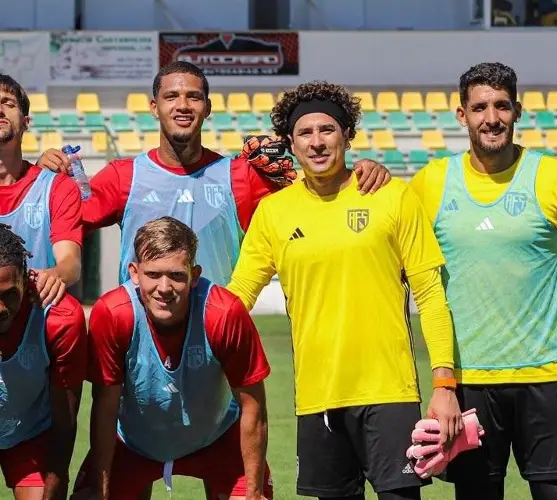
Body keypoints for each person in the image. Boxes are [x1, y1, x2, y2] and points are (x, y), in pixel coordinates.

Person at [227, 81, 463, 500]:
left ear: (347, 136)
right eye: (305, 133)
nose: (317, 143)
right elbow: (239, 295)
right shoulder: (274, 213)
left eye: (327, 130)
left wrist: (444, 386)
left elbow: (430, 294)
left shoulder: (392, 196)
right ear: (291, 144)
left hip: (390, 394)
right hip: (318, 398)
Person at [409, 62, 557, 500]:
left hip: (546, 377)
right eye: (480, 107)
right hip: (468, 384)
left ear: (518, 110)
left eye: (502, 106)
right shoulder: (430, 183)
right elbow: (398, 265)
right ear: (461, 115)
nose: (492, 118)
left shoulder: (556, 178)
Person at [36, 61, 391, 287]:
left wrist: (355, 172)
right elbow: (61, 221)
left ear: (207, 108)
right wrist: (41, 177)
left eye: (193, 97)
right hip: (141, 333)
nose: (182, 105)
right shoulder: (122, 176)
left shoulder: (241, 175)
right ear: (154, 107)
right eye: (171, 96)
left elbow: (315, 202)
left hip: (217, 330)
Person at [74, 216, 272, 500]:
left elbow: (253, 406)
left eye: (177, 275)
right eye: (153, 274)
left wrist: (253, 493)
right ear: (134, 272)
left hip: (216, 438)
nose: (164, 288)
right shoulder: (113, 313)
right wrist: (100, 490)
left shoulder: (223, 313)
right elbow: (105, 407)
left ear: (194, 274)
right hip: (133, 444)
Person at [0, 224, 87, 499]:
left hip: (29, 437)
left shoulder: (59, 318)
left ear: (26, 281)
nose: (0, 308)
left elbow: (65, 423)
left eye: (8, 294)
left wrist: (56, 482)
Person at [0, 73, 83, 307]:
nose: (0, 110)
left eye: (9, 103)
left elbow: (70, 263)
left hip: (35, 315)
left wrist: (54, 275)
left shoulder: (57, 187)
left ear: (26, 122)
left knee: (71, 313)